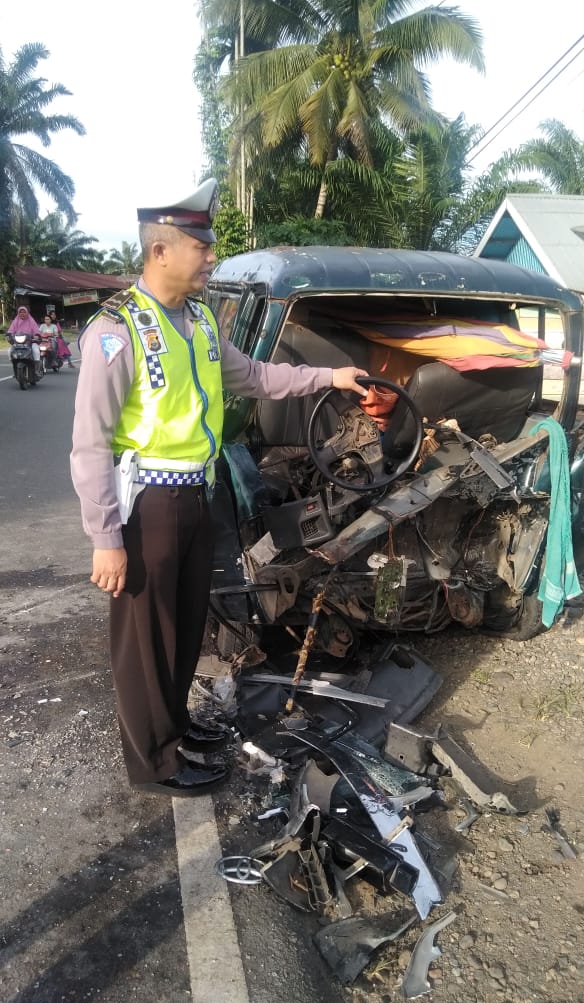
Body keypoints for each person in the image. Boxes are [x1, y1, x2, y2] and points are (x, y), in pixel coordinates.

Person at [70, 177, 369, 798]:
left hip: (198, 498)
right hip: (146, 507)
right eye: (199, 246)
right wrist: (105, 537)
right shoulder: (116, 331)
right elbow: (91, 443)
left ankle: (174, 729)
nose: (210, 257)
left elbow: (256, 376)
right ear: (161, 251)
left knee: (183, 627)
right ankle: (153, 762)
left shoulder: (201, 321)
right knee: (145, 640)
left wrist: (329, 375)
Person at [6, 306, 42, 370]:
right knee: (9, 351)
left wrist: (36, 335)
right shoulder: (15, 321)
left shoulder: (31, 321)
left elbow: (36, 330)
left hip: (31, 342)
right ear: (18, 313)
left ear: (27, 313)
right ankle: (15, 368)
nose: (22, 313)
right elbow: (11, 330)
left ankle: (37, 368)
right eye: (20, 312)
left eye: (24, 312)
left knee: (35, 350)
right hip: (18, 343)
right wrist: (8, 335)